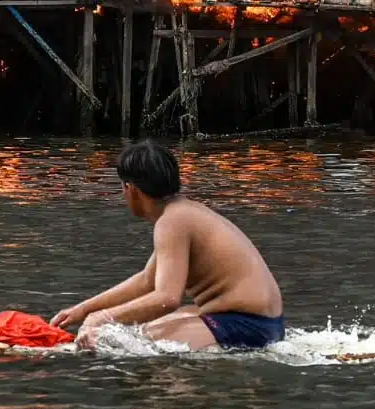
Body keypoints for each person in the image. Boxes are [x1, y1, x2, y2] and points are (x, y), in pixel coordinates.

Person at [50, 142, 284, 352]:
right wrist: (82, 310)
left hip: (248, 326)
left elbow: (167, 297)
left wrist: (99, 319)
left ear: (131, 189)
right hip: (264, 323)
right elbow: (147, 280)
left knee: (137, 341)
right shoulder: (182, 212)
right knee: (143, 326)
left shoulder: (172, 221)